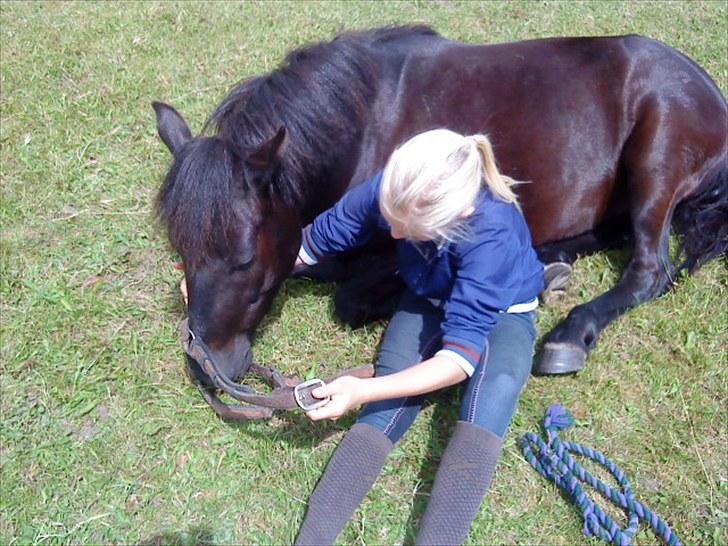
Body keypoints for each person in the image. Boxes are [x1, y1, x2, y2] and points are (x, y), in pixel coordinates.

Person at [293, 129, 545, 545]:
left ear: (458, 215)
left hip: (504, 314)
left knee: (491, 400)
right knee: (384, 399)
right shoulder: (402, 182)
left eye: (408, 230)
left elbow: (457, 362)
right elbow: (314, 243)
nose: (392, 235)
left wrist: (362, 389)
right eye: (391, 221)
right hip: (428, 296)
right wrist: (227, 278)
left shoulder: (490, 233)